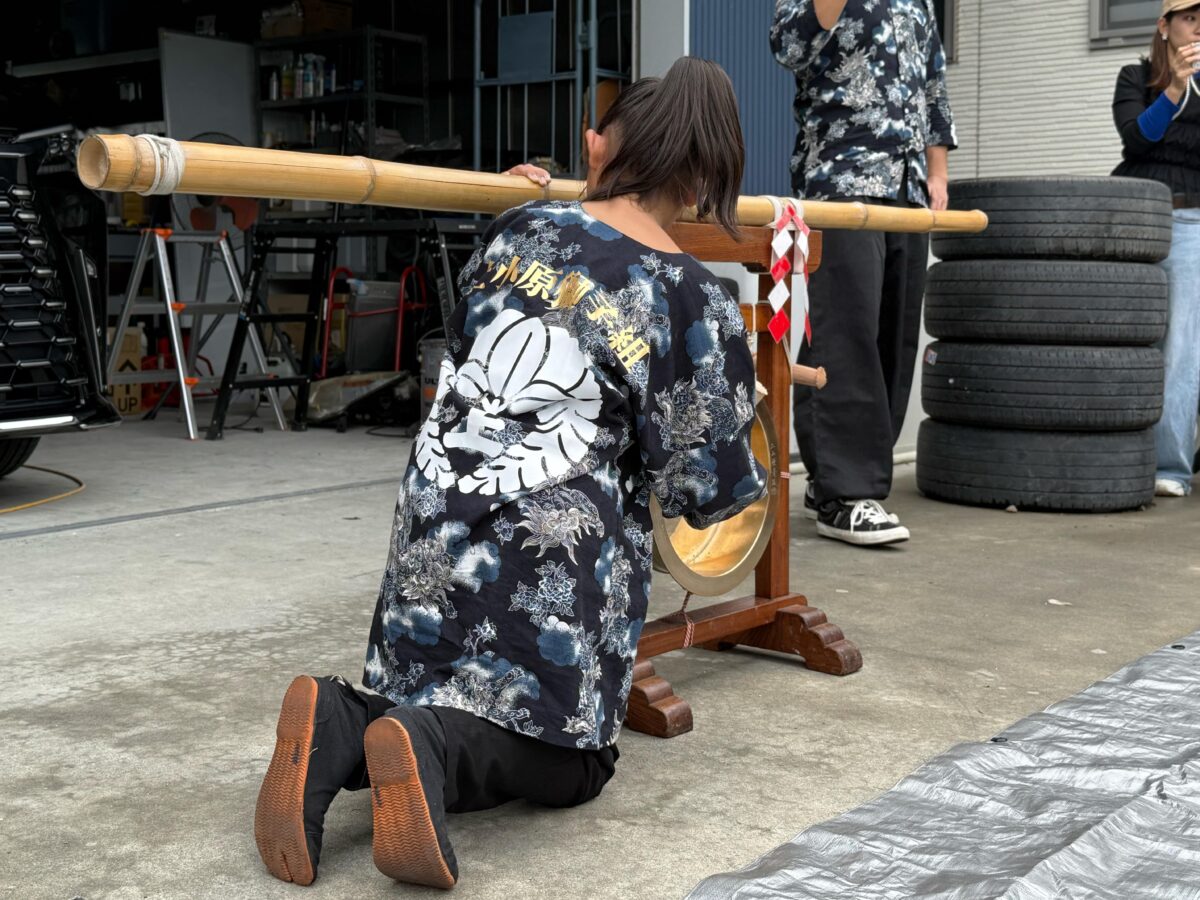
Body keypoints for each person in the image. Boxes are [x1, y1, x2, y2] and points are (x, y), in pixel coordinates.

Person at [252, 58, 767, 890]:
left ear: (604, 149)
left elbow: (468, 338)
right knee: (578, 759)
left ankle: (343, 720)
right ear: (707, 177)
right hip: (544, 564)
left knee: (438, 686)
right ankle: (435, 751)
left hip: (432, 526)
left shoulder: (520, 228)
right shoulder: (692, 298)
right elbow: (706, 494)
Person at [771, 0, 957, 546]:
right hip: (842, 178)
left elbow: (933, 84)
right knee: (845, 331)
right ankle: (845, 494)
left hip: (908, 185)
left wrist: (938, 171)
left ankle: (834, 477)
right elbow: (790, 45)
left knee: (892, 337)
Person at [1113, 1, 1200, 498]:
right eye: (1190, 18)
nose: (1198, 28)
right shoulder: (1136, 77)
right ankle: (1113, 449)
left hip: (1191, 218)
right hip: (1133, 218)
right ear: (1164, 26)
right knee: (1121, 338)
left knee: (1182, 345)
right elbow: (1135, 141)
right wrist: (1174, 89)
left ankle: (1171, 466)